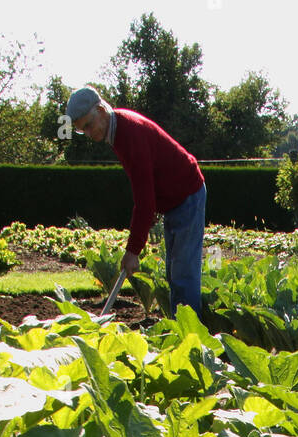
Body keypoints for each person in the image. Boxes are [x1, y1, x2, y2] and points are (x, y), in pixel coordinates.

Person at [65, 87, 206, 317]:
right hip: (174, 201)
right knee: (175, 273)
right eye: (82, 130)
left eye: (88, 126)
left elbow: (144, 200)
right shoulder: (118, 130)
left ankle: (192, 341)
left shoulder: (128, 133)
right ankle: (182, 329)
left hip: (187, 194)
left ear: (101, 110)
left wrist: (133, 251)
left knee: (183, 274)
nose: (88, 133)